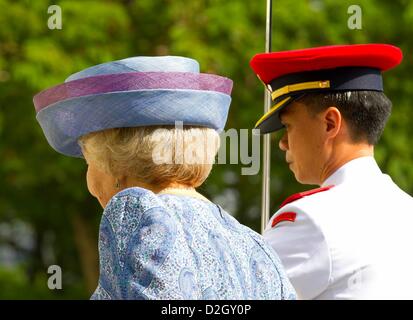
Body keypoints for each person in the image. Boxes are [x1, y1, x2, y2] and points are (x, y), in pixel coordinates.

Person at [33, 56, 296, 300]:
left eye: (88, 162)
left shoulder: (137, 213)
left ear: (115, 163)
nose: (89, 182)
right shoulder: (254, 243)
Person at [250, 44, 413, 299]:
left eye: (288, 126)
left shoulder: (310, 220)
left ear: (330, 123)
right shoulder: (407, 209)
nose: (282, 142)